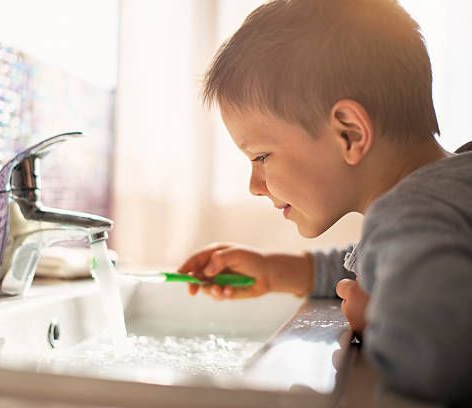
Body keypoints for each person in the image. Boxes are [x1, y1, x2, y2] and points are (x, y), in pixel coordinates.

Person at [177, 0, 472, 404]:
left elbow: (440, 358)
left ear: (349, 133)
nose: (254, 185)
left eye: (261, 157)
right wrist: (277, 271)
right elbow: (376, 260)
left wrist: (379, 316)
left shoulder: (410, 215)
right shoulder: (448, 192)